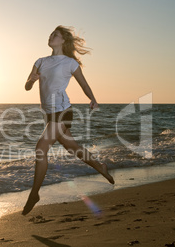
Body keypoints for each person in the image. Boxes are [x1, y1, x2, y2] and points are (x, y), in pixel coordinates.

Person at [22, 25, 115, 216]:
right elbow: (27, 87)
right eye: (50, 34)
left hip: (63, 111)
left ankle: (34, 194)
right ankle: (101, 167)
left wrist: (93, 99)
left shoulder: (70, 63)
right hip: (49, 113)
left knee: (41, 148)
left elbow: (83, 83)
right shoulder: (40, 61)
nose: (50, 36)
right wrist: (31, 80)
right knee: (73, 148)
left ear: (63, 40)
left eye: (54, 35)